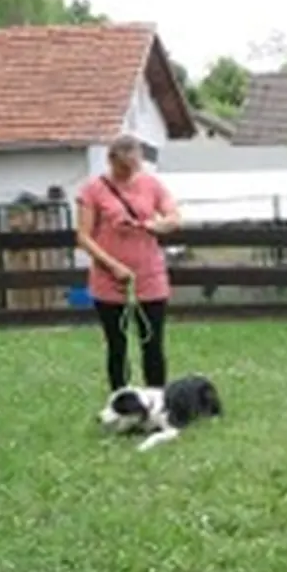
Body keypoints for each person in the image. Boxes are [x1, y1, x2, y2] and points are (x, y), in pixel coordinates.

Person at [75, 134, 183, 392]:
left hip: (150, 276)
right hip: (109, 281)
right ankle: (121, 402)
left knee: (153, 342)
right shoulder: (92, 190)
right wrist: (113, 266)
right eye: (123, 168)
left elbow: (175, 217)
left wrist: (153, 224)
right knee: (117, 345)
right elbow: (83, 236)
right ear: (111, 161)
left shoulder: (151, 184)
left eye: (134, 167)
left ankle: (157, 401)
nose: (129, 173)